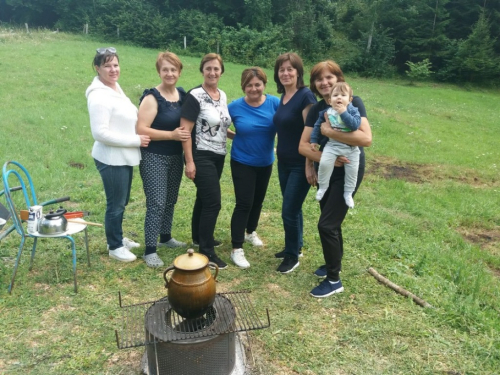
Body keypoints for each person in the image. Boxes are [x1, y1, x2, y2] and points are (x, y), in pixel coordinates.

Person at [298, 60, 372, 298]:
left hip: (350, 168)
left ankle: (333, 280)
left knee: (327, 224)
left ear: (339, 79)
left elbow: (365, 138)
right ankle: (333, 265)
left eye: (329, 77)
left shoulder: (353, 102)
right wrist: (317, 158)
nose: (324, 82)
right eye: (319, 79)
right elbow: (303, 145)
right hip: (327, 169)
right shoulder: (317, 110)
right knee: (331, 222)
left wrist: (330, 133)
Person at [86, 47, 150, 262]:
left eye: (115, 64)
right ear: (97, 68)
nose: (113, 69)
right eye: (107, 65)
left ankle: (118, 237)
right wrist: (136, 140)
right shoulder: (98, 96)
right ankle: (114, 246)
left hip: (122, 156)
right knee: (115, 204)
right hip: (110, 158)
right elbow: (100, 133)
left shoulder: (114, 87)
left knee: (121, 201)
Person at [136, 51, 190, 268]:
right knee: (156, 202)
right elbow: (141, 129)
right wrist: (171, 135)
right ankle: (150, 250)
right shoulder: (152, 97)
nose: (169, 73)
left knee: (170, 199)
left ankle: (165, 237)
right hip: (154, 157)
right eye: (165, 69)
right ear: (159, 71)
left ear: (179, 72)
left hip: (175, 157)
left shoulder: (182, 95)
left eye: (173, 69)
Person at [180, 53, 232, 269]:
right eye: (208, 68)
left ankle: (198, 237)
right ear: (202, 70)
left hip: (218, 155)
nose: (212, 72)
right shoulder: (195, 96)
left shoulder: (223, 95)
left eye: (216, 69)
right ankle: (207, 252)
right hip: (200, 154)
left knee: (204, 198)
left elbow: (220, 125)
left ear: (221, 72)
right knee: (213, 202)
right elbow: (185, 131)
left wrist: (239, 136)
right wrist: (189, 162)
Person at [228, 67, 280, 268]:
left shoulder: (275, 103)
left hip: (265, 161)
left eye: (257, 84)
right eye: (249, 85)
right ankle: (236, 248)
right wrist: (237, 136)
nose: (253, 88)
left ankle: (250, 232)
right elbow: (220, 126)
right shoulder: (234, 107)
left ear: (264, 85)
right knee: (244, 203)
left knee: (258, 200)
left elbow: (286, 123)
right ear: (243, 86)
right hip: (242, 161)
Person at [272, 52, 317, 274]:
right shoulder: (284, 97)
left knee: (289, 210)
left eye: (290, 69)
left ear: (298, 72)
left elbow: (313, 134)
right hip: (284, 162)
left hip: (301, 164)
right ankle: (295, 246)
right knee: (294, 208)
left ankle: (292, 256)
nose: (286, 73)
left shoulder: (306, 96)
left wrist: (310, 164)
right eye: (282, 70)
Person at [310, 82, 361, 206]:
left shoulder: (353, 111)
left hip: (351, 148)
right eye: (335, 95)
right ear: (329, 101)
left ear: (350, 100)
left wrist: (343, 112)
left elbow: (354, 126)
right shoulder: (326, 113)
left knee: (352, 171)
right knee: (324, 164)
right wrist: (314, 140)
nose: (339, 97)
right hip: (332, 146)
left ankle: (348, 193)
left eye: (343, 95)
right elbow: (317, 126)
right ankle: (322, 187)